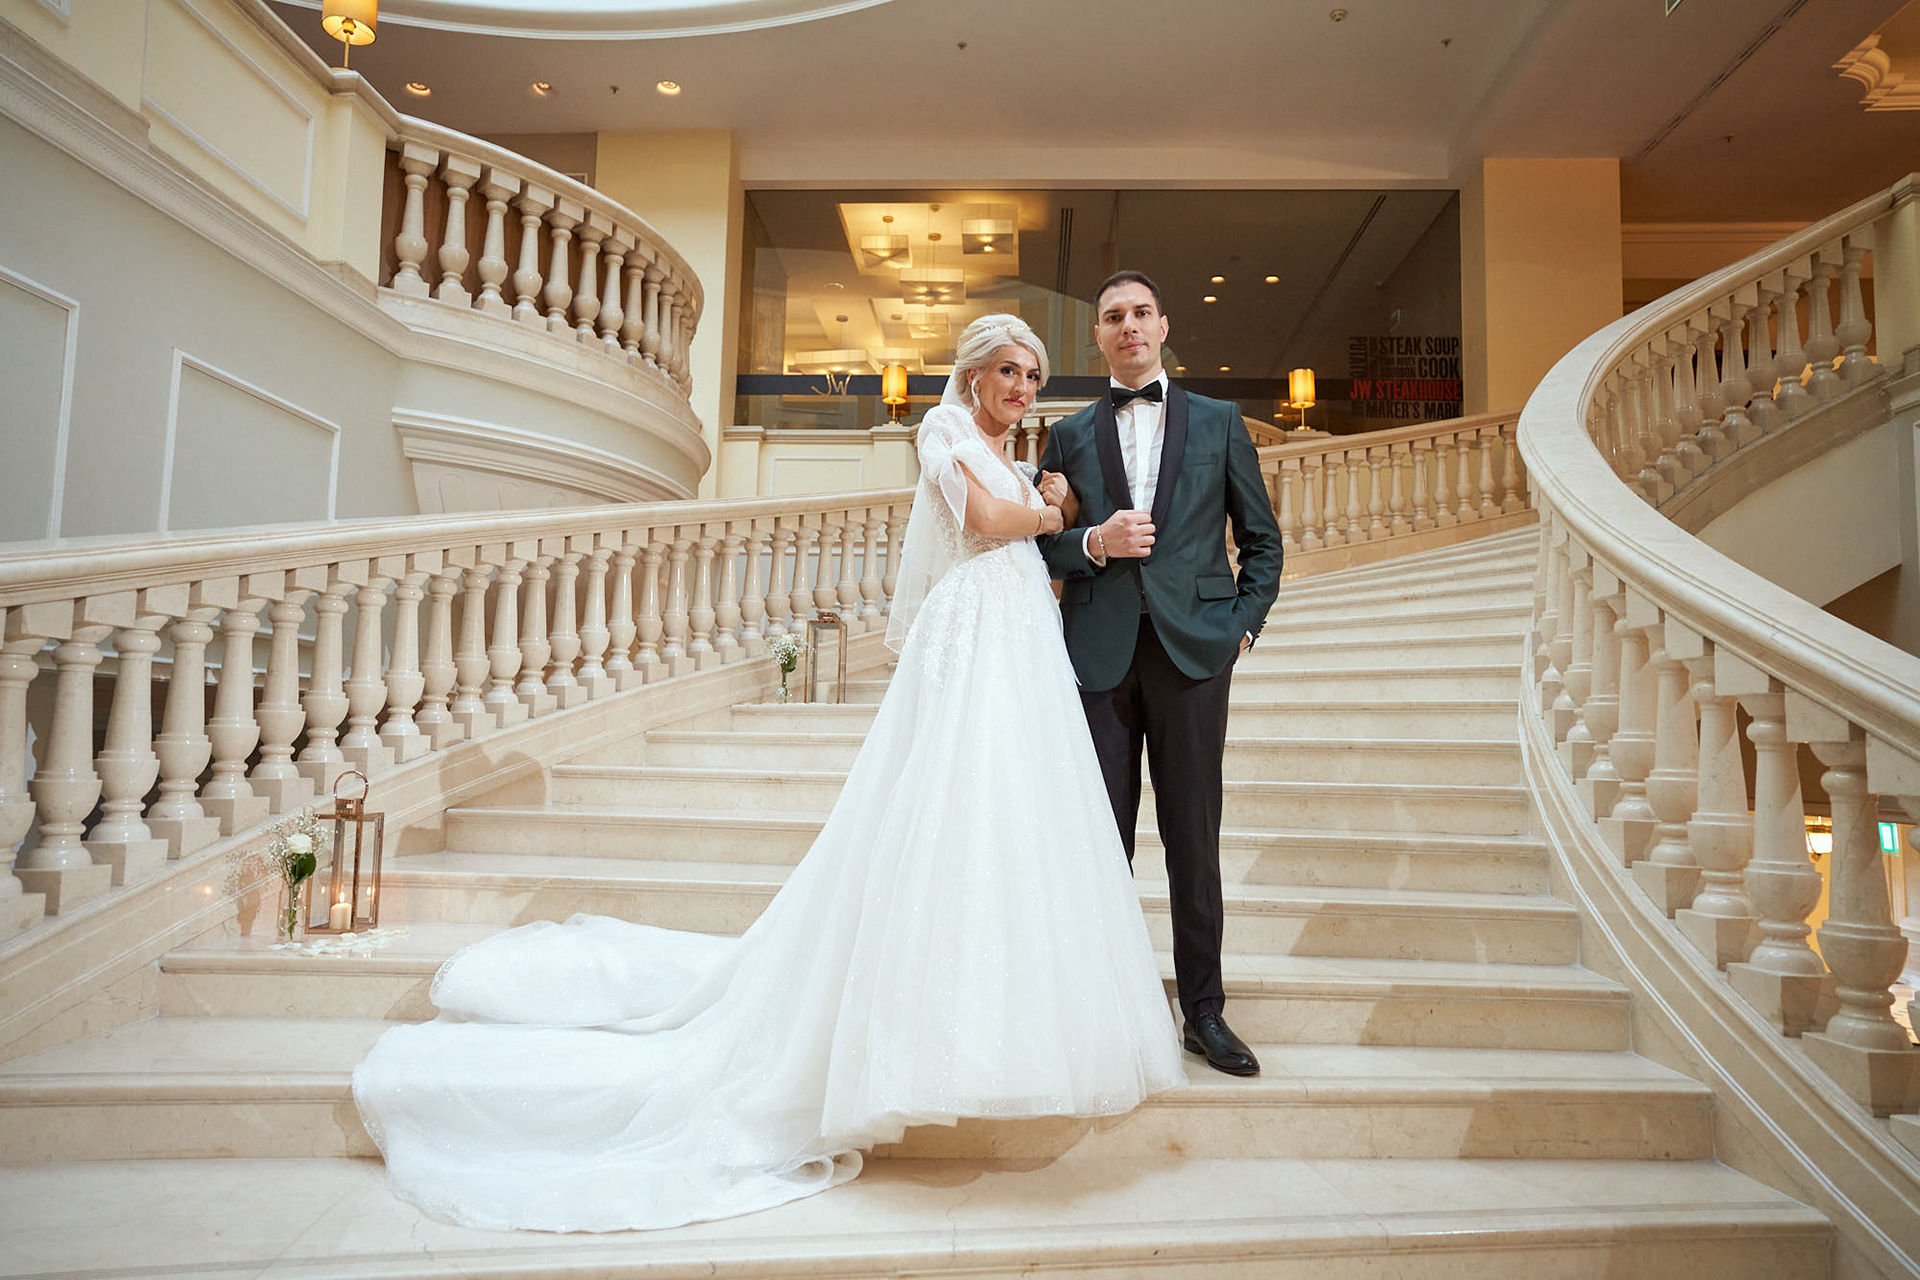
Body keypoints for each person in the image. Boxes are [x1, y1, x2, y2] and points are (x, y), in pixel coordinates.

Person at [352, 314, 1185, 1233]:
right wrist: (1059, 514)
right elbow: (984, 523)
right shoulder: (943, 428)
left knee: (1017, 819)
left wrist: (1047, 500)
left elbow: (1016, 528)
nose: (1022, 388)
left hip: (1021, 639)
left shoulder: (1017, 458)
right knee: (946, 805)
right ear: (974, 375)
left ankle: (1016, 1025)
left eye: (1032, 375)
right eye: (1008, 371)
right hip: (971, 635)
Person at [1036, 271, 1284, 1078]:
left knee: (1192, 838)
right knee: (1102, 841)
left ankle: (1203, 1011)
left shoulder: (1219, 421)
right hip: (1098, 656)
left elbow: (1263, 540)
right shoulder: (1067, 435)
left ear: (1164, 326)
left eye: (1141, 312)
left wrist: (1239, 629)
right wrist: (1093, 542)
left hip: (1193, 655)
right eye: (1114, 316)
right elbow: (1040, 542)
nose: (1129, 326)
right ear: (1098, 336)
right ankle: (1100, 1008)